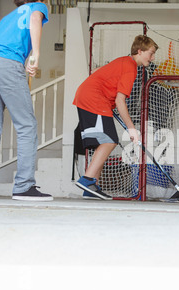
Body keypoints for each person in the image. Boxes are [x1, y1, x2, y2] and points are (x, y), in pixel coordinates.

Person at [0, 0, 53, 201]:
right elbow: (34, 19)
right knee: (27, 125)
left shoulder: (9, 17)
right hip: (7, 63)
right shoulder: (38, 6)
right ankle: (24, 186)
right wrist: (36, 53)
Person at [74, 35, 158, 200]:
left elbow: (112, 90)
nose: (153, 57)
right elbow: (120, 100)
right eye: (151, 53)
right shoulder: (130, 67)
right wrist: (132, 128)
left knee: (104, 141)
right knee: (109, 141)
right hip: (94, 99)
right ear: (139, 51)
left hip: (93, 98)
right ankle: (87, 180)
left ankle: (90, 188)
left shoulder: (124, 62)